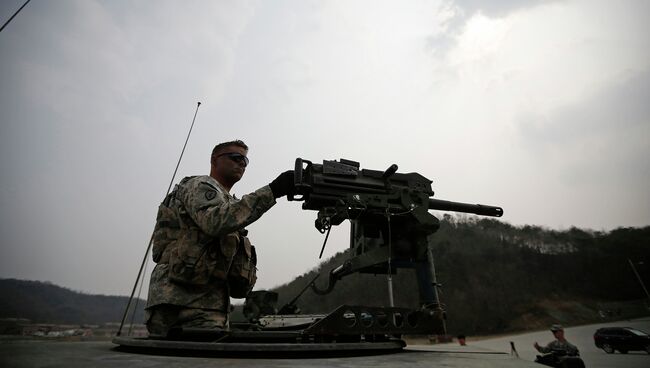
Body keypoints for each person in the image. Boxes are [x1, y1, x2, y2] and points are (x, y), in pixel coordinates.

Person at [144, 139, 295, 337]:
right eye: (236, 157)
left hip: (203, 303)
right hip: (184, 304)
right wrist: (274, 190)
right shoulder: (199, 185)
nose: (242, 163)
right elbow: (215, 221)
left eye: (245, 161)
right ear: (215, 160)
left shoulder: (227, 202)